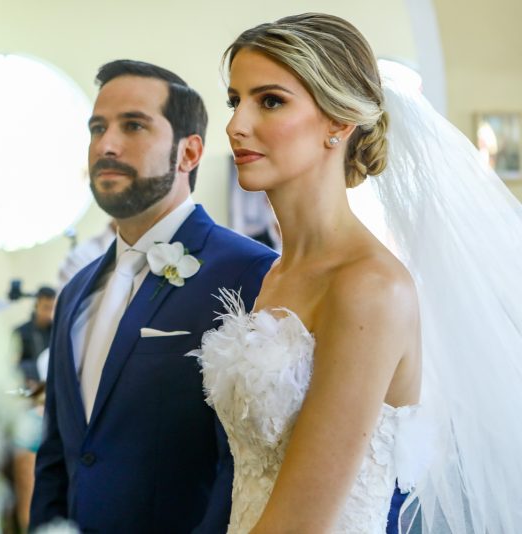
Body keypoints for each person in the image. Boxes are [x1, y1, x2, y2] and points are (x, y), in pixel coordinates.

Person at [196, 12, 522, 534]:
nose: (236, 125)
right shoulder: (280, 272)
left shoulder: (370, 287)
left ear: (339, 122)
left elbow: (301, 522)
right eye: (236, 100)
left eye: (271, 100)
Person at [29, 60, 277, 533]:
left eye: (133, 125)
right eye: (97, 128)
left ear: (188, 152)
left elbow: (243, 466)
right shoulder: (75, 293)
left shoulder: (248, 273)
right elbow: (59, 456)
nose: (106, 145)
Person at [13, 286, 56, 387]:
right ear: (37, 305)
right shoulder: (20, 332)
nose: (49, 314)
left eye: (52, 308)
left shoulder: (56, 332)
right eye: (46, 308)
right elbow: (13, 367)